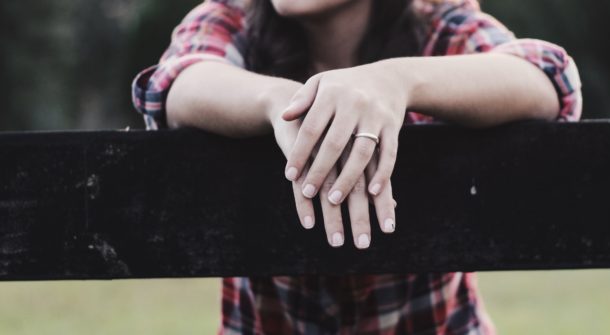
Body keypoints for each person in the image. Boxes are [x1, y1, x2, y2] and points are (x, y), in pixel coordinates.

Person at [132, 0, 582, 333]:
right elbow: (175, 83)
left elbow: (545, 78)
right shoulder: (234, 16)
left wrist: (397, 80)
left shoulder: (435, 23)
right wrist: (287, 102)